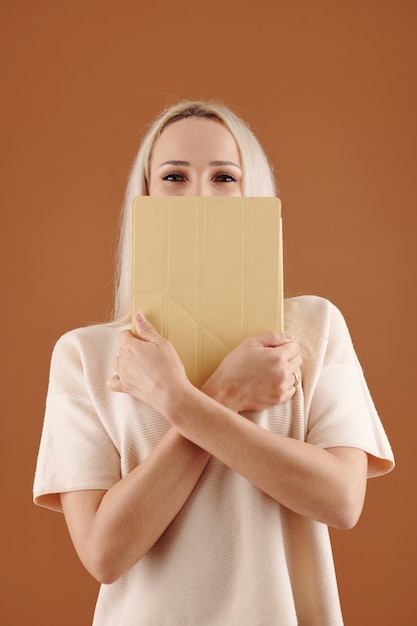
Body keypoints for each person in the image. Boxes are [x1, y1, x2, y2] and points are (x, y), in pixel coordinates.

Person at [33, 100, 394, 626]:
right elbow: (103, 554)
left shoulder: (314, 329)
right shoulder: (84, 355)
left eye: (224, 176)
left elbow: (341, 500)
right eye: (174, 176)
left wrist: (179, 401)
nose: (199, 194)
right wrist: (224, 393)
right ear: (146, 195)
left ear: (254, 195)